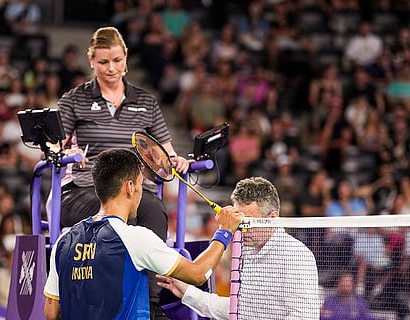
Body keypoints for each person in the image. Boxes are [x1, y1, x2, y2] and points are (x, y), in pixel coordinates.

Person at [53, 26, 191, 317]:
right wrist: (68, 153)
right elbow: (53, 149)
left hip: (136, 191)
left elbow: (165, 154)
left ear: (126, 58)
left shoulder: (147, 102)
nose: (111, 68)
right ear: (91, 60)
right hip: (85, 190)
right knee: (123, 214)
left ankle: (150, 306)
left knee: (152, 210)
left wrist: (176, 161)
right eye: (103, 62)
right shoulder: (73, 100)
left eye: (116, 60)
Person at [43, 148, 242, 320]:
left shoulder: (63, 242)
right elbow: (198, 274)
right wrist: (224, 232)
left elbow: (51, 313)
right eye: (140, 184)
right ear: (130, 187)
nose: (141, 192)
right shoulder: (136, 238)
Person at [156, 176, 320, 320]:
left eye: (248, 221)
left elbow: (304, 316)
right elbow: (239, 310)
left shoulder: (297, 256)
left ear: (273, 218)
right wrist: (189, 293)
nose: (241, 229)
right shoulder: (244, 250)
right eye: (238, 221)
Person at [320, 271, 385, 320]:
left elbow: (367, 318)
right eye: (343, 282)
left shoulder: (360, 303)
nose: (345, 285)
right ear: (338, 284)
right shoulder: (329, 301)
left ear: (353, 285)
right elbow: (322, 317)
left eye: (348, 282)